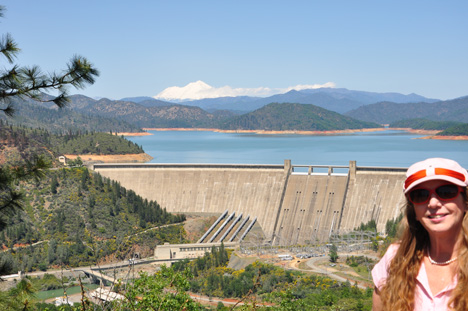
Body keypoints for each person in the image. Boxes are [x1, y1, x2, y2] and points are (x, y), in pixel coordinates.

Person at [372, 158, 468, 311]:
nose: (433, 203)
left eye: (446, 192)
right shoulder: (395, 259)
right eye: (420, 195)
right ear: (414, 211)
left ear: (465, 202)